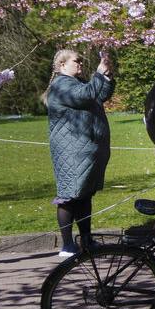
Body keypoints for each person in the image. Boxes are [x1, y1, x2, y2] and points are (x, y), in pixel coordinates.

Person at [45, 46, 114, 257]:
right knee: (69, 196)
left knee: (84, 194)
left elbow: (99, 94)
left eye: (82, 61)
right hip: (71, 150)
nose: (81, 64)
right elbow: (84, 96)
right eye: (77, 61)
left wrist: (107, 78)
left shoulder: (79, 84)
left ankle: (86, 241)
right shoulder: (60, 86)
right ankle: (67, 246)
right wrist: (98, 75)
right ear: (62, 65)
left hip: (85, 149)